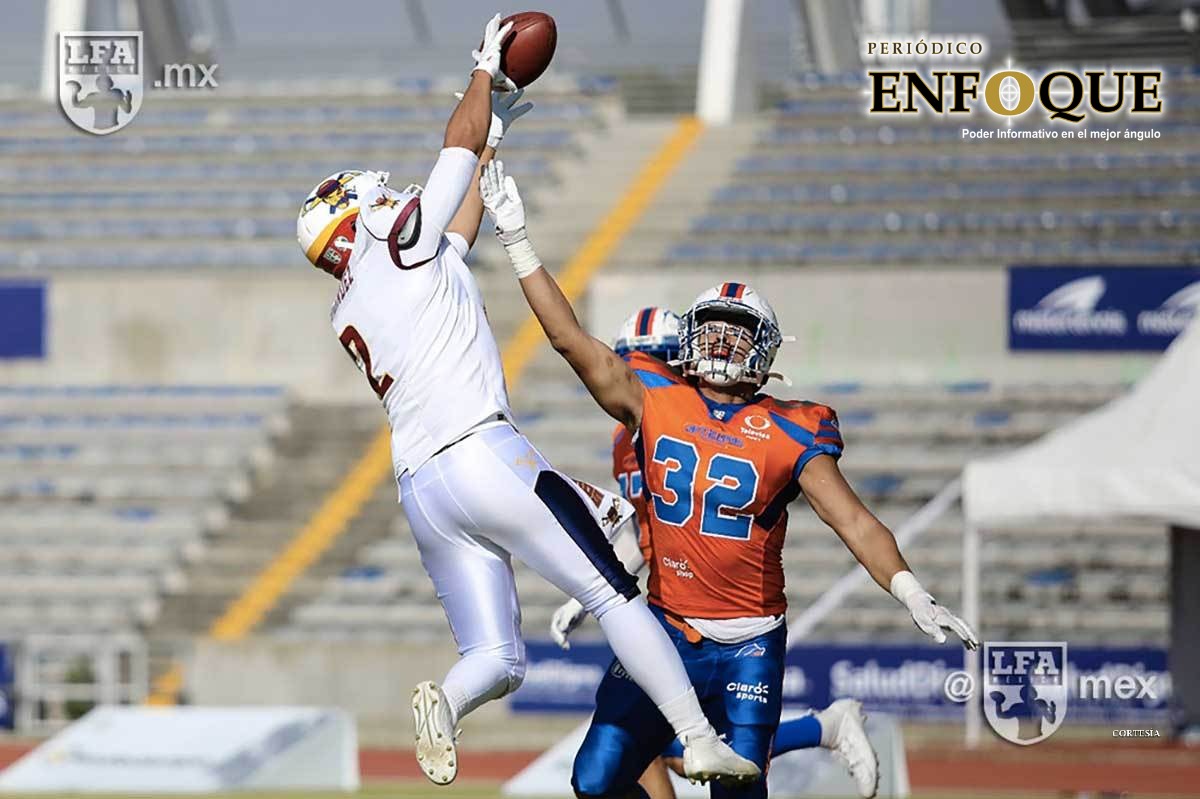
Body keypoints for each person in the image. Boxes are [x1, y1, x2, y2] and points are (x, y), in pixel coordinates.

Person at [293, 14, 759, 790]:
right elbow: (452, 145)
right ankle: (697, 737)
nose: (392, 191)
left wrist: (492, 140)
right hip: (480, 452)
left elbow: (455, 230)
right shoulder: (393, 242)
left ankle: (446, 701)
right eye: (377, 193)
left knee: (497, 657)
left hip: (421, 488)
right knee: (611, 589)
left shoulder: (361, 294)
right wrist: (483, 75)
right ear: (356, 215)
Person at [480, 160, 980, 799]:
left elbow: (852, 520)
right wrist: (519, 241)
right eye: (712, 330)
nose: (720, 344)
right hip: (665, 630)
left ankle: (821, 728)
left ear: (765, 351)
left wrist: (910, 590)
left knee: (736, 793)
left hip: (750, 643)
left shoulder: (792, 428)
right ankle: (823, 727)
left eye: (736, 335)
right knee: (595, 780)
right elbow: (568, 339)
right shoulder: (653, 400)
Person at [549, 309, 880, 799]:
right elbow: (646, 532)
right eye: (628, 358)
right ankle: (825, 727)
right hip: (670, 608)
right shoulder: (633, 430)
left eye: (650, 359)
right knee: (662, 754)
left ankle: (826, 727)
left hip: (726, 618)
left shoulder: (692, 417)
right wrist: (588, 594)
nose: (635, 370)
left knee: (693, 756)